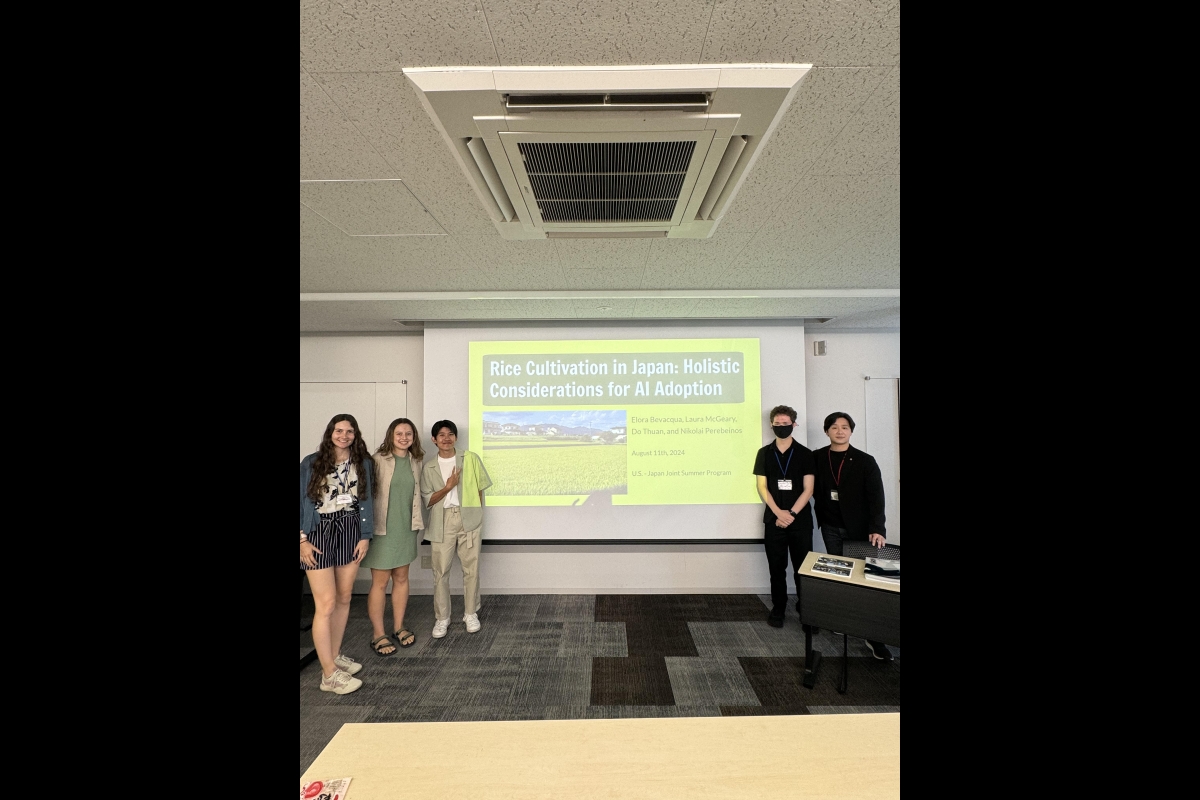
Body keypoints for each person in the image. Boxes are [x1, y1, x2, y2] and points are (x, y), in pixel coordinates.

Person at [300, 413, 376, 694]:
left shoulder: (363, 463)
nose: (344, 435)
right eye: (339, 430)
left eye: (349, 431)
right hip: (317, 532)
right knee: (327, 603)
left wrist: (365, 536)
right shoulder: (310, 463)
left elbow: (367, 499)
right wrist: (301, 541)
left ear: (356, 435)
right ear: (330, 432)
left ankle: (332, 656)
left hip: (351, 531)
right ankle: (329, 675)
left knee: (344, 598)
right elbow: (300, 502)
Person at [812, 411, 894, 662]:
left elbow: (876, 497)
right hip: (831, 526)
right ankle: (844, 620)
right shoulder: (816, 458)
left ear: (851, 431)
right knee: (840, 572)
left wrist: (877, 527)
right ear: (826, 431)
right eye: (834, 427)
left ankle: (873, 636)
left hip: (861, 528)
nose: (839, 431)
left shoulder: (865, 460)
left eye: (845, 427)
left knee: (865, 578)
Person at [420, 420, 493, 639]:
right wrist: (448, 487)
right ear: (434, 439)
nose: (446, 438)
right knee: (440, 571)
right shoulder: (429, 467)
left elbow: (480, 488)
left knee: (471, 569)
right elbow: (428, 500)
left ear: (456, 437)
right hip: (442, 520)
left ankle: (470, 613)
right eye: (441, 435)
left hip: (468, 518)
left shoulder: (470, 459)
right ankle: (442, 618)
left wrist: (475, 515)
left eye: (450, 434)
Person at [362, 418, 426, 656]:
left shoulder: (415, 460)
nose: (404, 437)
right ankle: (378, 633)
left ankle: (399, 627)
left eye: (408, 433)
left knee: (401, 578)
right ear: (390, 435)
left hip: (406, 528)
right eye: (399, 433)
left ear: (414, 437)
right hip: (382, 530)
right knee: (380, 582)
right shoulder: (377, 460)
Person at [753, 404, 816, 629]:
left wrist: (790, 514)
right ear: (771, 425)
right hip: (774, 520)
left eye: (785, 424)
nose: (781, 427)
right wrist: (779, 513)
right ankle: (778, 607)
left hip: (799, 521)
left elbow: (808, 489)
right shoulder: (764, 453)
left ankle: (806, 610)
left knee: (802, 568)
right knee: (776, 568)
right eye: (777, 424)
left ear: (794, 424)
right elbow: (762, 487)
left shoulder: (805, 454)